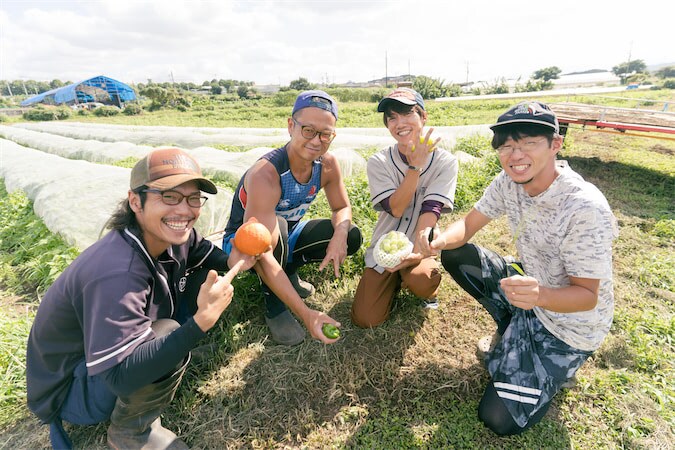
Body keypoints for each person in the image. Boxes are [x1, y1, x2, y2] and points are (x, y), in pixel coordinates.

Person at [26, 148, 257, 449]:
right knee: (168, 334)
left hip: (95, 359)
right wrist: (201, 321)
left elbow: (205, 255)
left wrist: (234, 261)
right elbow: (120, 377)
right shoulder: (118, 272)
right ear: (136, 201)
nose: (184, 211)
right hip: (72, 388)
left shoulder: (173, 235)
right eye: (169, 196)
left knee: (203, 278)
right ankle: (131, 432)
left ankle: (169, 357)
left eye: (192, 198)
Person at [421, 102, 618, 435]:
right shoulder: (508, 181)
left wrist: (539, 295)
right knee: (457, 254)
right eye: (507, 145)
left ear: (556, 144)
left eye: (529, 142)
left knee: (498, 419)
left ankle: (551, 364)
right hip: (528, 291)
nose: (515, 155)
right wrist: (436, 242)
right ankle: (514, 328)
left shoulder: (583, 207)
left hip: (567, 327)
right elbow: (467, 227)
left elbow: (587, 297)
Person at [222, 90, 362, 346]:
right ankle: (275, 307)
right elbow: (260, 249)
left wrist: (340, 236)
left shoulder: (327, 165)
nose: (316, 141)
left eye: (325, 134)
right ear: (290, 126)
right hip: (245, 244)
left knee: (350, 234)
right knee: (277, 230)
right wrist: (306, 314)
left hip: (287, 233)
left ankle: (289, 272)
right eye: (308, 130)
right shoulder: (268, 173)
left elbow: (341, 207)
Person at [350, 88, 458, 328]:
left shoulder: (445, 162)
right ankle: (394, 280)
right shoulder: (380, 162)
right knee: (365, 319)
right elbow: (396, 209)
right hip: (385, 248)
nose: (399, 123)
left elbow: (432, 207)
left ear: (423, 116)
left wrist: (420, 247)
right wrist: (415, 168)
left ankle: (421, 286)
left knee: (422, 280)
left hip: (418, 245)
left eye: (407, 114)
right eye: (391, 117)